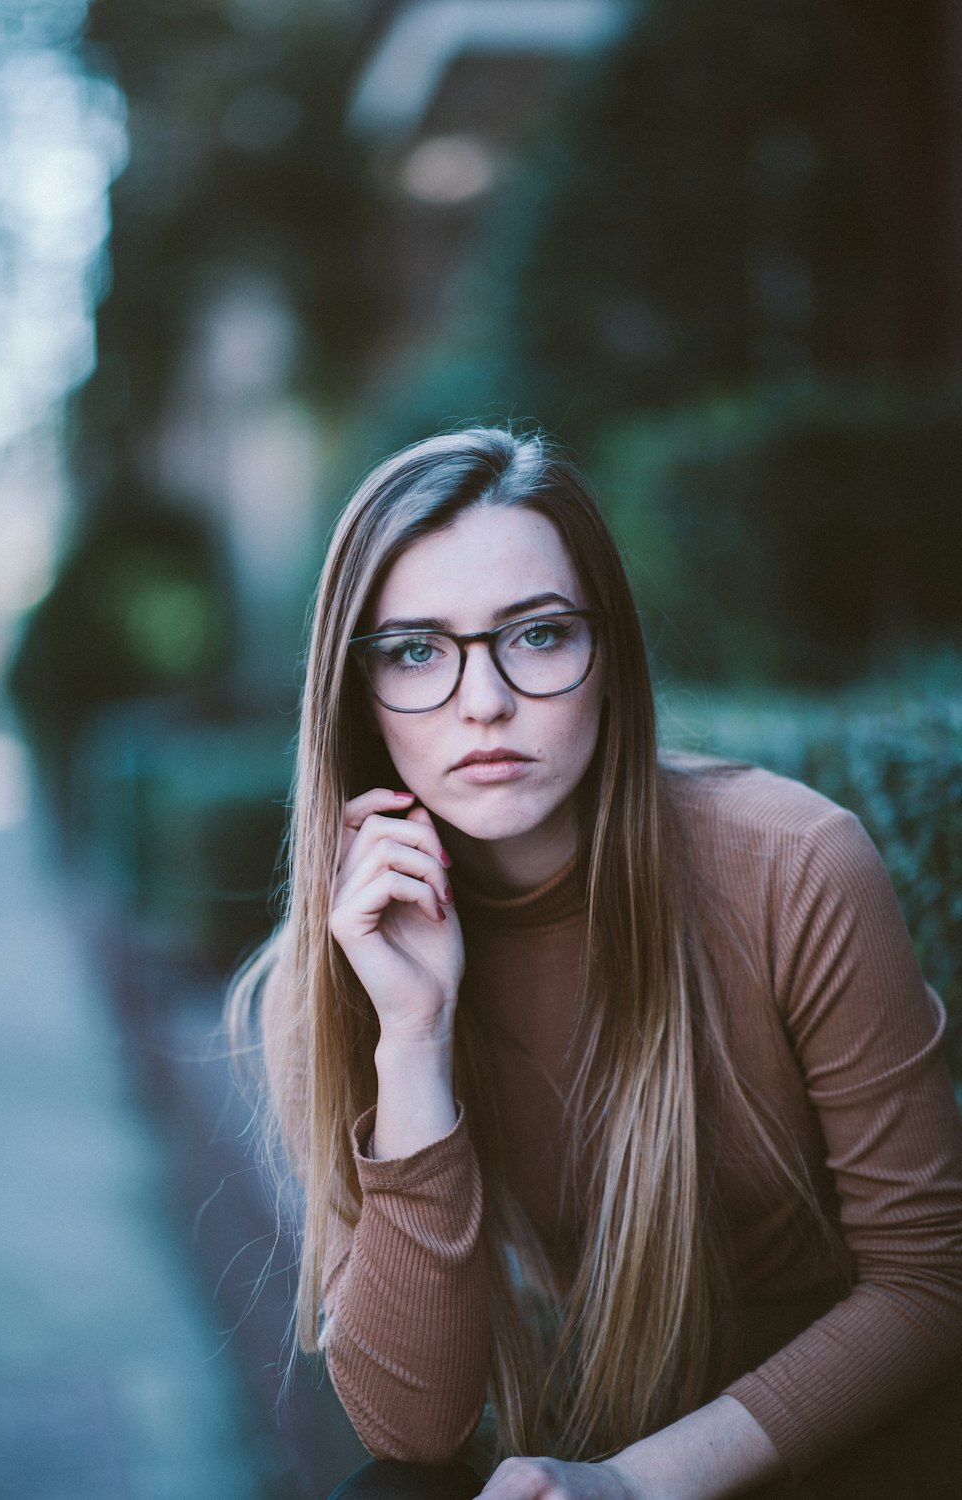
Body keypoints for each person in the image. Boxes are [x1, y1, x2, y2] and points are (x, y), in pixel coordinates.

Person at [228, 427, 962, 1500]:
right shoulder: (331, 982)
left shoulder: (791, 865)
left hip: (849, 1419)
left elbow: (929, 1282)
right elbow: (410, 1426)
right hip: (600, 1422)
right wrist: (415, 1037)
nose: (483, 702)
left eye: (534, 635)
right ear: (357, 695)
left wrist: (636, 1483)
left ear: (607, 651)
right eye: (417, 651)